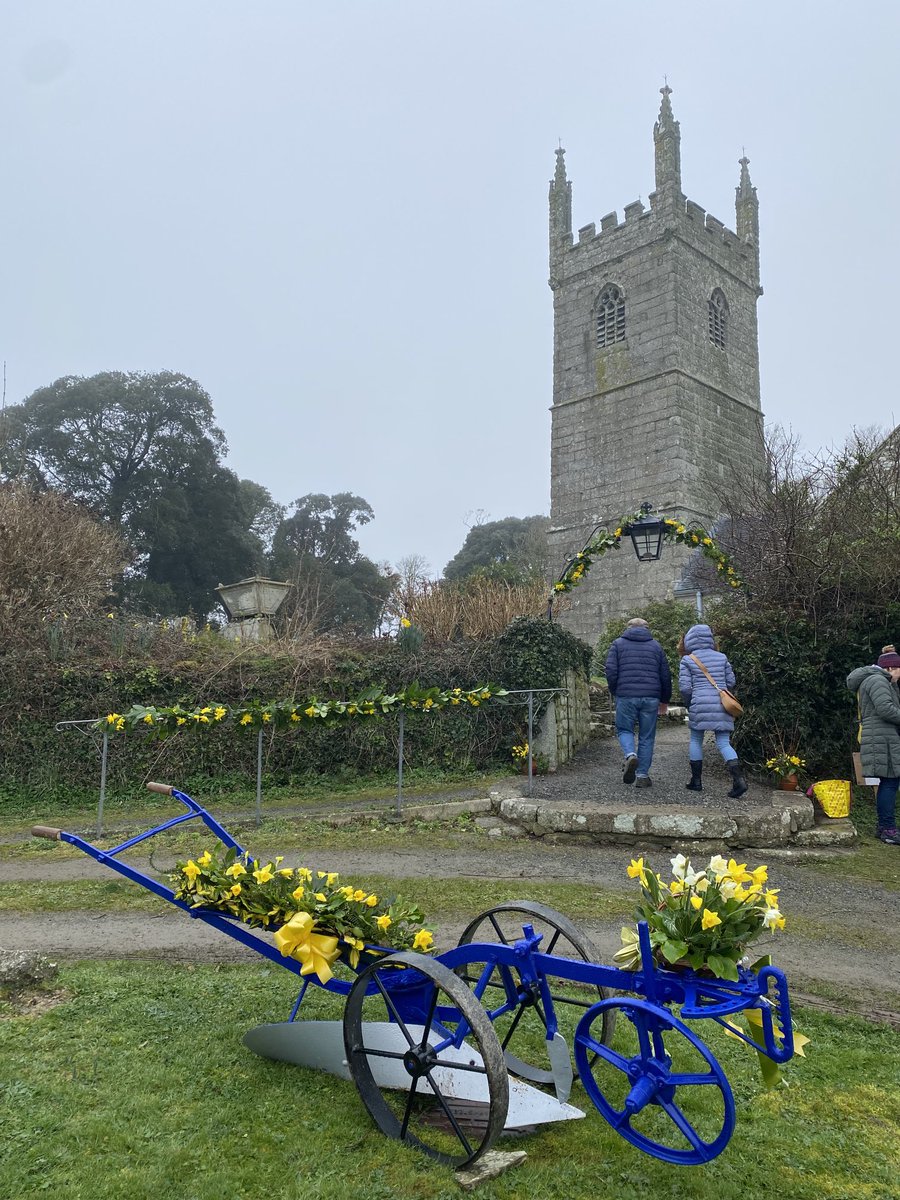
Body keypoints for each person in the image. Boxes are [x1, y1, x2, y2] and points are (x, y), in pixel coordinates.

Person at [678, 623, 747, 798]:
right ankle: (739, 781)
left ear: (689, 640)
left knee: (695, 739)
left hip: (699, 703)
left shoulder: (688, 659)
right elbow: (731, 681)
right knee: (724, 742)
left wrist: (689, 703)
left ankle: (696, 781)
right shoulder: (722, 657)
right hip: (722, 703)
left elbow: (685, 688)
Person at [604, 617, 671, 788]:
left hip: (626, 695)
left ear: (628, 628)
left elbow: (611, 670)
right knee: (647, 736)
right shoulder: (656, 646)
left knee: (624, 729)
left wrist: (615, 690)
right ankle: (642, 775)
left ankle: (630, 754)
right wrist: (664, 700)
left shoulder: (618, 644)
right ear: (647, 629)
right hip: (651, 696)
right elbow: (665, 675)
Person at [847, 644, 900, 845]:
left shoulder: (879, 680)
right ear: (891, 668)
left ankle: (884, 827)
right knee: (890, 781)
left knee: (889, 782)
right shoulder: (878, 681)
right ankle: (887, 829)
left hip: (882, 736)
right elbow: (886, 709)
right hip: (882, 737)